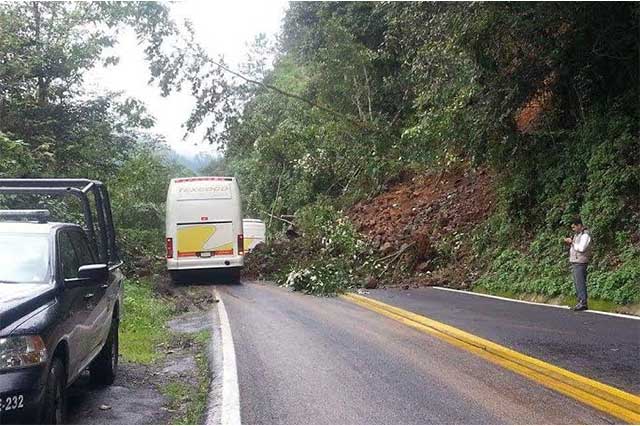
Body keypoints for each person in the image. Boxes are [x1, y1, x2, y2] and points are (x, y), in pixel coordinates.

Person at [563, 217, 592, 311]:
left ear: (579, 225)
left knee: (580, 283)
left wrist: (572, 243)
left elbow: (581, 248)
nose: (573, 229)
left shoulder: (585, 235)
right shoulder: (577, 235)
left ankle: (583, 302)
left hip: (581, 262)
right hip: (575, 261)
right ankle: (580, 301)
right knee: (577, 283)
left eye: (574, 227)